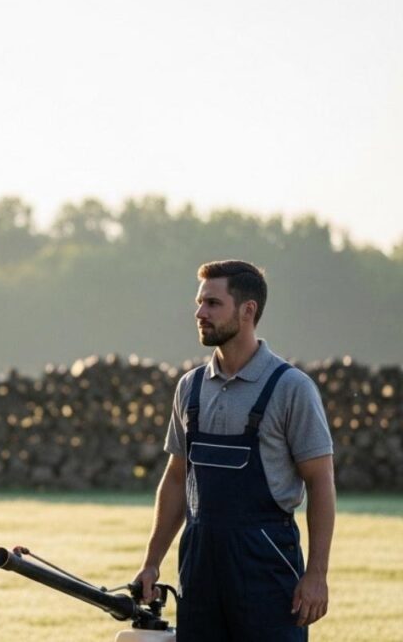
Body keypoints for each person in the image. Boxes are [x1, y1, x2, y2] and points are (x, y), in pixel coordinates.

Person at [133, 260, 335, 641]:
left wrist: (317, 574)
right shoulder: (189, 388)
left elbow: (321, 483)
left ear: (247, 311)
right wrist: (152, 562)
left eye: (212, 303)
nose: (199, 313)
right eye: (199, 302)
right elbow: (177, 479)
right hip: (199, 570)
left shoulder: (292, 388)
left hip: (267, 570)